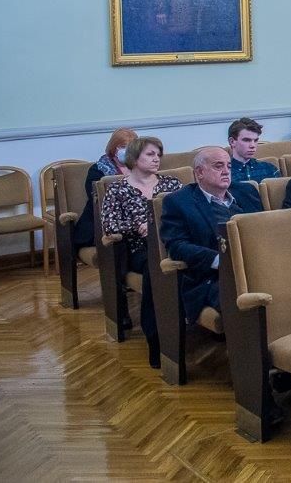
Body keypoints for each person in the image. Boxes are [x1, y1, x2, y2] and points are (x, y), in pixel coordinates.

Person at [101, 136, 184, 367]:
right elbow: (110, 225)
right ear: (134, 158)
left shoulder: (172, 184)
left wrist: (157, 224)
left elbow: (187, 213)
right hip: (139, 250)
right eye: (150, 154)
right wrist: (139, 226)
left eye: (158, 154)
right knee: (154, 269)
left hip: (172, 243)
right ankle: (156, 341)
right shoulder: (117, 189)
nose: (156, 158)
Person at [160, 147, 262, 327]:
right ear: (199, 172)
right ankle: (250, 345)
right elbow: (176, 246)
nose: (226, 171)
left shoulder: (247, 191)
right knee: (247, 303)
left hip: (258, 265)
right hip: (215, 277)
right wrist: (220, 260)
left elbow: (265, 228)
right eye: (218, 166)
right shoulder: (179, 201)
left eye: (228, 166)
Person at [78, 127, 137, 250]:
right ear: (113, 148)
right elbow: (98, 199)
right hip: (103, 221)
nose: (128, 151)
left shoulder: (140, 167)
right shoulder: (97, 170)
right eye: (123, 147)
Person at [227, 117, 279, 184]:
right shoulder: (224, 173)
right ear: (232, 141)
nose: (253, 145)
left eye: (255, 140)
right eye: (246, 140)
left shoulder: (270, 169)